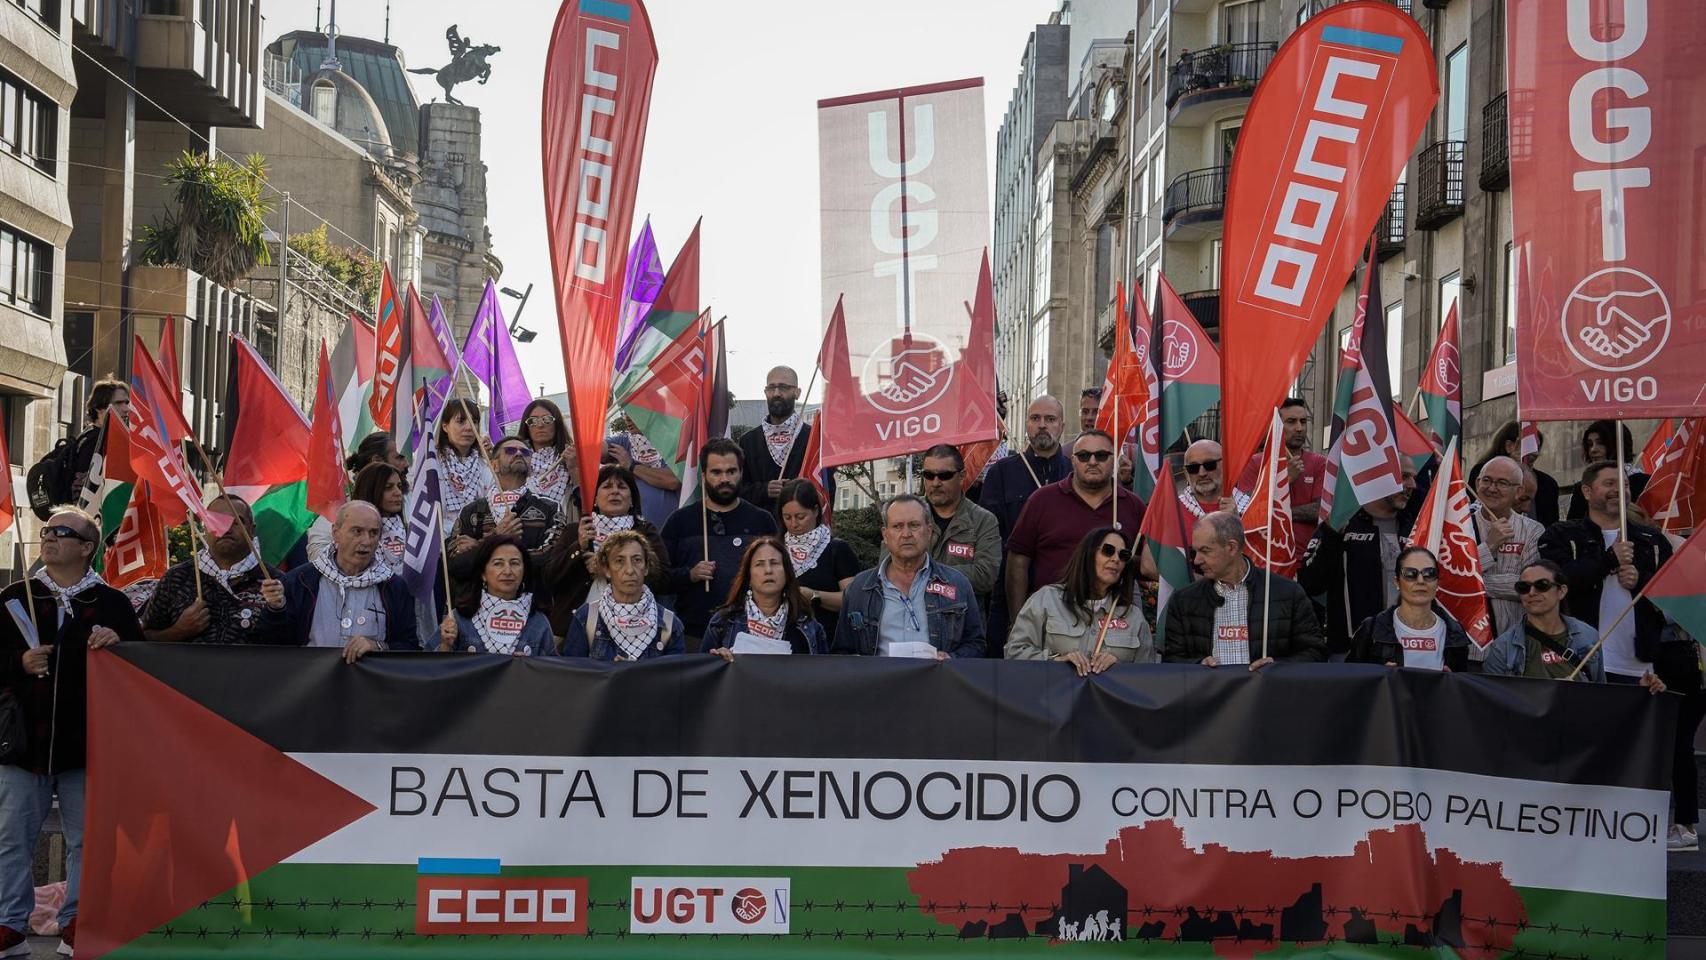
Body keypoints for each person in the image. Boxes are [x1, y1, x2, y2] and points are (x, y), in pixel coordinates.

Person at [0, 507, 141, 957]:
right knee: (12, 839)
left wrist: (120, 646)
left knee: (89, 841)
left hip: (88, 746)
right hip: (23, 745)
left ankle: (79, 922)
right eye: (47, 531)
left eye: (62, 532)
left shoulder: (113, 603)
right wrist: (18, 663)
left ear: (86, 548)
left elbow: (141, 669)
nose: (49, 537)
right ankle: (9, 926)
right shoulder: (14, 597)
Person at [1538, 460, 1673, 683]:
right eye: (1609, 483)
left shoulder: (1652, 540)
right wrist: (1609, 559)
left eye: (1625, 485)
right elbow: (1557, 582)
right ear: (1587, 491)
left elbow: (1672, 594)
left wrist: (1640, 580)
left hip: (1641, 667)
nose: (1619, 490)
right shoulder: (1562, 534)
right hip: (1580, 660)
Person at [1005, 429, 1143, 622]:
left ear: (1113, 460)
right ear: (1073, 460)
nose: (1092, 462)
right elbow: (1018, 561)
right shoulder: (1042, 500)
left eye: (1101, 455)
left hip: (1113, 620)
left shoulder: (1133, 505)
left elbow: (1146, 562)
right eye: (1084, 455)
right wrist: (1018, 621)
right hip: (1051, 618)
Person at [1162, 512, 1325, 668]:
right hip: (1209, 688)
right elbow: (1171, 661)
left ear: (1231, 547)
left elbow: (1315, 653)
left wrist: (1276, 668)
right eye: (1195, 551)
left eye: (1205, 551)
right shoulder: (1183, 601)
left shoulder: (1288, 593)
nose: (1197, 560)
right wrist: (1198, 666)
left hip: (1266, 687)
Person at [834, 495, 985, 658]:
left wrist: (952, 659)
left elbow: (977, 644)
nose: (906, 534)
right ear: (885, 535)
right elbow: (842, 652)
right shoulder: (859, 588)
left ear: (929, 531)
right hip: (879, 676)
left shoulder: (958, 584)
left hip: (937, 675)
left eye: (914, 525)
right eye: (897, 526)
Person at [660, 438, 779, 646]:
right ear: (704, 475)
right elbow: (658, 578)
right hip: (692, 636)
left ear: (741, 473)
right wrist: (689, 575)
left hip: (751, 635)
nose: (725, 479)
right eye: (716, 472)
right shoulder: (679, 521)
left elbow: (780, 573)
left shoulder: (762, 520)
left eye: (731, 471)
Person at [1299, 457, 1422, 655]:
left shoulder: (1416, 527)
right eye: (1404, 476)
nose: (1412, 485)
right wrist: (1331, 536)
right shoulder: (1342, 524)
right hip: (1349, 654)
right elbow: (1309, 583)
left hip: (1406, 650)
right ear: (1377, 476)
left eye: (1413, 478)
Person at [277, 501, 420, 657]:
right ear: (336, 533)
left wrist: (379, 646)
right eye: (357, 531)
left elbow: (410, 647)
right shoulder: (300, 581)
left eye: (373, 533)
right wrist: (275, 610)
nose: (366, 541)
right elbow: (276, 646)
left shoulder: (394, 587)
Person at [539, 464, 669, 634]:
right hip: (572, 629)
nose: (614, 491)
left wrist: (610, 571)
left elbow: (664, 579)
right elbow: (549, 578)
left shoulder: (645, 532)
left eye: (621, 487)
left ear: (631, 500)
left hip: (631, 629)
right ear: (594, 499)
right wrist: (578, 547)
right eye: (607, 486)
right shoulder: (574, 531)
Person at [142, 495, 289, 644]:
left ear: (252, 530)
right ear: (205, 528)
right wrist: (178, 631)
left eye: (237, 522)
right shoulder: (175, 579)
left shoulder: (275, 583)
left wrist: (277, 610)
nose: (226, 529)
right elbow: (142, 638)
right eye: (216, 521)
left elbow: (294, 644)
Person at [1006, 526, 1156, 670]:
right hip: (1055, 688)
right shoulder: (1047, 600)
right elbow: (1014, 652)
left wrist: (1120, 670)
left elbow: (1146, 676)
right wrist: (1055, 661)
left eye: (1123, 555)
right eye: (1108, 551)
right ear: (1088, 555)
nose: (1116, 559)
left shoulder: (1133, 616)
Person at [562, 530, 685, 660]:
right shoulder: (586, 619)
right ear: (607, 569)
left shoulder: (670, 625)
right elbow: (573, 670)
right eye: (619, 561)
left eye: (637, 560)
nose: (630, 570)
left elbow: (676, 672)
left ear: (646, 567)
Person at [1347, 546, 1471, 671]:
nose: (1421, 581)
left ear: (1437, 582)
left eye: (1429, 574)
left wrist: (1452, 681)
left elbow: (1462, 681)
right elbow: (1350, 678)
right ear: (1397, 582)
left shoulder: (1455, 633)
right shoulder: (1371, 629)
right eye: (1410, 574)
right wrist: (1378, 677)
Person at [704, 537, 827, 658]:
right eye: (760, 564)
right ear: (748, 576)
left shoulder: (808, 625)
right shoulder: (722, 622)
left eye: (774, 563)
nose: (768, 570)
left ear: (787, 573)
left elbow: (823, 669)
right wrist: (716, 659)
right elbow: (703, 667)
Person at [1483, 560, 1605, 681]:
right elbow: (1494, 693)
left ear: (1561, 591)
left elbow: (1599, 690)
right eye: (1524, 587)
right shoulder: (1503, 648)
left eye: (1542, 585)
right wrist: (1550, 690)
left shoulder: (1588, 636)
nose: (1532, 593)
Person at [916, 445, 1002, 614]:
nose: (936, 483)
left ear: (962, 476)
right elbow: (889, 569)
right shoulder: (906, 515)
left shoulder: (983, 521)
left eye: (944, 475)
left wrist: (925, 572)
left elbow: (985, 576)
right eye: (929, 475)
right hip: (913, 620)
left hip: (962, 622)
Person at [437, 535, 557, 656]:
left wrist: (530, 665)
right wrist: (445, 645)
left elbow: (552, 666)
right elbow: (432, 665)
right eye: (498, 563)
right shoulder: (458, 619)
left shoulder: (538, 622)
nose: (507, 571)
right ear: (483, 573)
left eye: (514, 563)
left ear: (524, 571)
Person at [1470, 456, 1545, 642]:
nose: (1492, 488)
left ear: (1518, 491)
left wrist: (1474, 584)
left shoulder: (1533, 530)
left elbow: (1531, 588)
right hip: (1469, 643)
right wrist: (1489, 546)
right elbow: (1449, 581)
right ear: (1477, 483)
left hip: (1515, 642)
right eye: (1486, 480)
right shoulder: (1459, 527)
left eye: (1502, 483)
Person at [977, 394, 1072, 538]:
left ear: (1062, 426)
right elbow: (988, 532)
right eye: (1035, 418)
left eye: (1050, 419)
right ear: (1027, 424)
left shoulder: (1074, 473)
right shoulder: (1001, 472)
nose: (1042, 425)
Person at [776, 479, 859, 640]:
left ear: (815, 511)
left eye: (800, 517)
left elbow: (853, 600)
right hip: (782, 639)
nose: (794, 524)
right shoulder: (775, 549)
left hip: (826, 639)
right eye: (787, 517)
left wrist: (814, 596)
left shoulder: (837, 549)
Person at [451, 435, 560, 558]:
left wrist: (483, 546)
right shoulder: (470, 511)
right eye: (510, 450)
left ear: (531, 467)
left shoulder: (550, 508)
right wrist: (495, 537)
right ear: (494, 466)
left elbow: (553, 555)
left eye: (525, 452)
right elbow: (453, 560)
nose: (519, 453)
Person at [1237, 399, 1328, 546]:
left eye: (1303, 422)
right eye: (1291, 422)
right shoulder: (1255, 463)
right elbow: (1247, 507)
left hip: (1308, 553)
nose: (1299, 428)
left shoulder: (1319, 462)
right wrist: (1285, 480)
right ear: (1277, 426)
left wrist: (1277, 513)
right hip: (1267, 553)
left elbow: (1321, 510)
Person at [737, 366, 812, 512]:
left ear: (797, 392)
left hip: (801, 524)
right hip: (759, 524)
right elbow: (738, 489)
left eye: (783, 387)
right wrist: (764, 490)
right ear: (766, 392)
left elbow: (826, 490)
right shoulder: (748, 441)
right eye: (771, 388)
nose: (777, 393)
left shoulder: (813, 439)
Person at [310, 461, 408, 566]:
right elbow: (317, 556)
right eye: (388, 487)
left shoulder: (410, 527)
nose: (398, 493)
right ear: (370, 490)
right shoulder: (339, 519)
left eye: (399, 486)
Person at [1472, 421, 1560, 526]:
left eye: (1537, 446)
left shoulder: (1547, 483)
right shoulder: (1483, 472)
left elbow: (1552, 524)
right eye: (1529, 445)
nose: (1535, 452)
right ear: (1509, 446)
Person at [61, 378, 130, 511]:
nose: (126, 409)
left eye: (127, 402)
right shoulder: (94, 439)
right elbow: (82, 488)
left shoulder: (93, 435)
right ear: (99, 408)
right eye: (118, 403)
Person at [1566, 421, 1649, 520]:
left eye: (1600, 443)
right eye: (1590, 444)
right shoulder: (1582, 488)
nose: (1593, 450)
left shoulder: (1643, 482)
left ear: (1618, 444)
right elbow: (1573, 524)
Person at [611, 419, 682, 526]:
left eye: (634, 413)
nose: (627, 418)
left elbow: (673, 481)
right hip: (639, 530)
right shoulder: (625, 441)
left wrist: (632, 466)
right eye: (624, 414)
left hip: (672, 527)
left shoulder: (671, 441)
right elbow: (597, 448)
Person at [438, 398, 494, 535]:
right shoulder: (432, 462)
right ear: (445, 426)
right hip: (440, 539)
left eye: (474, 421)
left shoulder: (484, 464)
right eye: (461, 421)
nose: (469, 428)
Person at [518, 398, 574, 507]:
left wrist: (574, 468)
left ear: (557, 423)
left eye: (547, 419)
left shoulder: (571, 456)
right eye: (533, 421)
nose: (540, 425)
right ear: (526, 426)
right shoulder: (516, 459)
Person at [1179, 439, 1250, 519]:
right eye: (1193, 468)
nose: (1202, 473)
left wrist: (1236, 521)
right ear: (1186, 473)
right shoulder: (1173, 509)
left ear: (1225, 466)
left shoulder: (1251, 508)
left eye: (1209, 465)